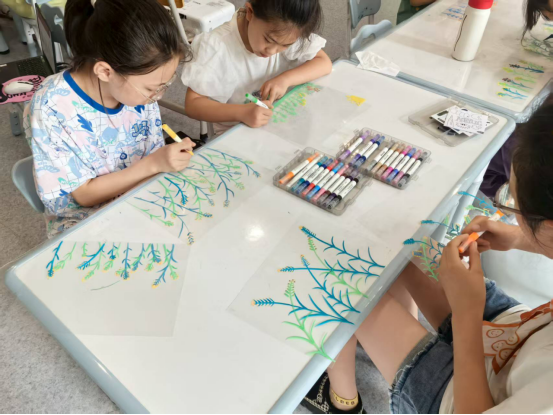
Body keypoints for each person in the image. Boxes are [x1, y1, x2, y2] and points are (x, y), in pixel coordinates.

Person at [302, 101, 553, 414]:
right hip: (523, 332)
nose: (508, 205)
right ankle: (393, 347)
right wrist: (521, 237)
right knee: (402, 243)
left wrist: (466, 313)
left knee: (343, 277)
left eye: (510, 199)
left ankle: (342, 401)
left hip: (470, 397)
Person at [24, 0, 195, 238]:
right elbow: (84, 196)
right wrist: (154, 164)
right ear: (105, 71)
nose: (158, 96)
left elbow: (153, 154)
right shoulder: (51, 107)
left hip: (142, 197)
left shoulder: (137, 92)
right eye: (153, 89)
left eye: (165, 85)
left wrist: (166, 159)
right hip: (86, 221)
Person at [181, 0, 332, 135]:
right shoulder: (215, 46)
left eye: (286, 45)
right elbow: (193, 104)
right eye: (268, 40)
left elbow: (323, 63)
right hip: (235, 131)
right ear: (250, 13)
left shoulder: (289, 30)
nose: (272, 51)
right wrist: (242, 113)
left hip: (278, 123)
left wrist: (285, 79)